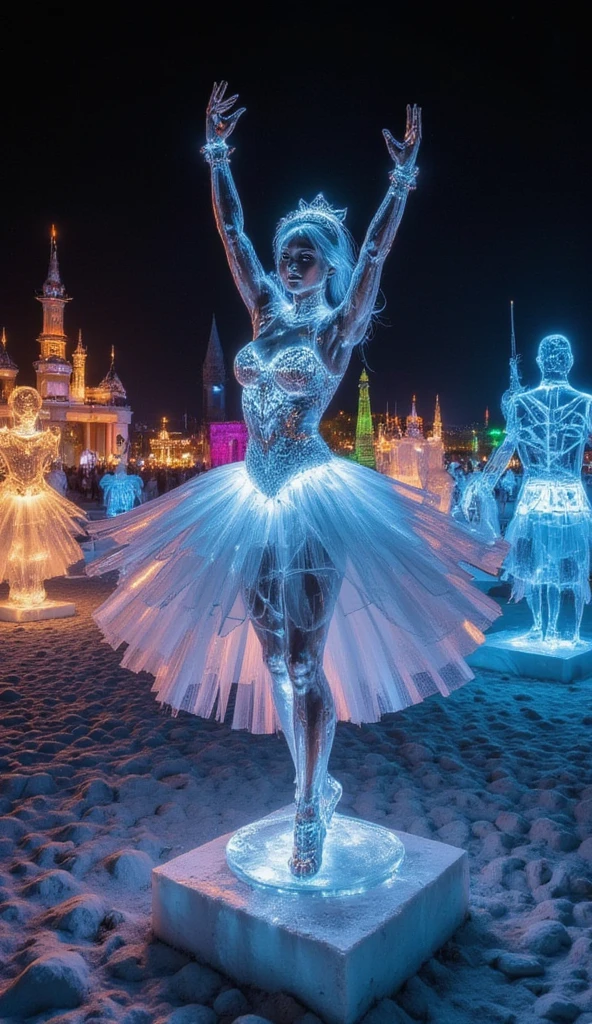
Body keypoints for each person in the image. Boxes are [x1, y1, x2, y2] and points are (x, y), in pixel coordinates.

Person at [87, 82, 503, 879]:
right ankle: (309, 777)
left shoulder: (336, 327)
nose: (293, 257)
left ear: (329, 263)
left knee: (306, 660)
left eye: (309, 249)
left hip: (313, 495)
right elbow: (232, 231)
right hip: (249, 497)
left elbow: (378, 252)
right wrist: (216, 153)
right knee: (272, 656)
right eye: (291, 249)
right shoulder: (263, 314)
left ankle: (311, 806)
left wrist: (400, 182)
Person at [462, 334, 592, 645]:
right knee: (571, 567)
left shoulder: (521, 403)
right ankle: (568, 634)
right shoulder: (586, 403)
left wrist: (484, 480)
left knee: (532, 567)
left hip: (534, 497)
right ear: (570, 361)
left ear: (539, 361)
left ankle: (541, 629)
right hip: (570, 497)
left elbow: (506, 449)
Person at [0, 387, 87, 607]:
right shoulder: (5, 438)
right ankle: (20, 587)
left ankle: (33, 587)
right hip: (17, 497)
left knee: (35, 544)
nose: (27, 411)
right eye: (22, 406)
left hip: (34, 497)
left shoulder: (48, 439)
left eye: (31, 407)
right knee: (16, 544)